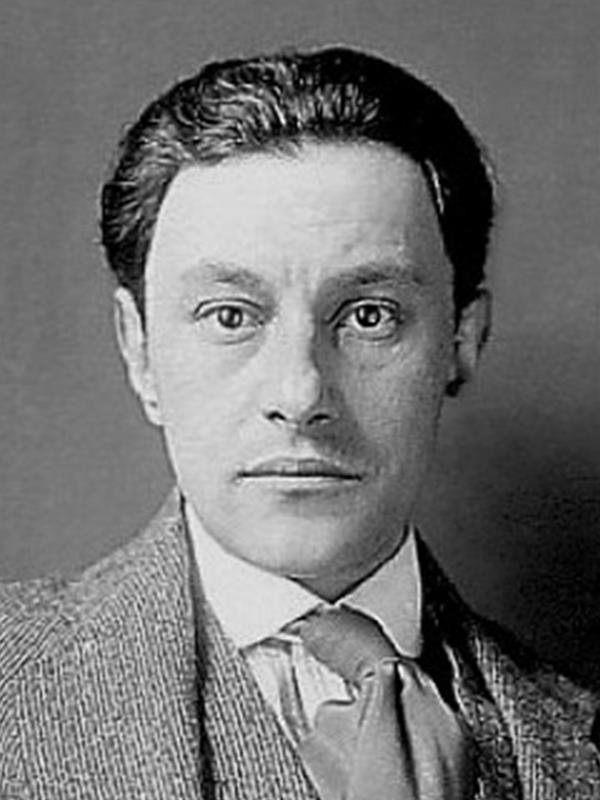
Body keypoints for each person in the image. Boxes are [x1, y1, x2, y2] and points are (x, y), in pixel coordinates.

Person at [0, 46, 598, 799]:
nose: (301, 392)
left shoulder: (578, 742)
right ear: (140, 350)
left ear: (461, 340)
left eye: (369, 316)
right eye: (230, 315)